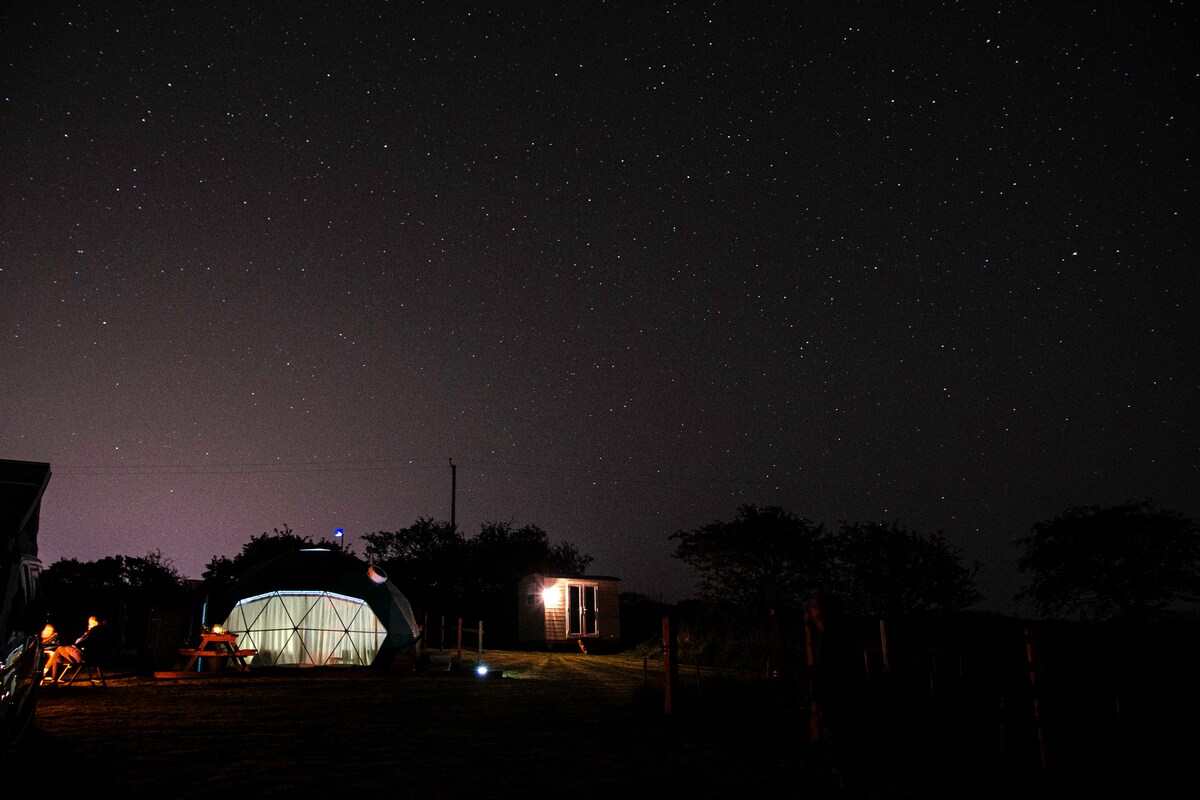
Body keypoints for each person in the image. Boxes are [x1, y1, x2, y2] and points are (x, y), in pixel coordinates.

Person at [43, 615, 107, 683]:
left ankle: (47, 672)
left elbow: (78, 642)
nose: (88, 625)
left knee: (59, 649)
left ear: (95, 623)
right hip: (97, 658)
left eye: (90, 623)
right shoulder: (103, 631)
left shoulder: (93, 631)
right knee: (57, 657)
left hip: (85, 658)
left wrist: (85, 634)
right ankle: (52, 679)